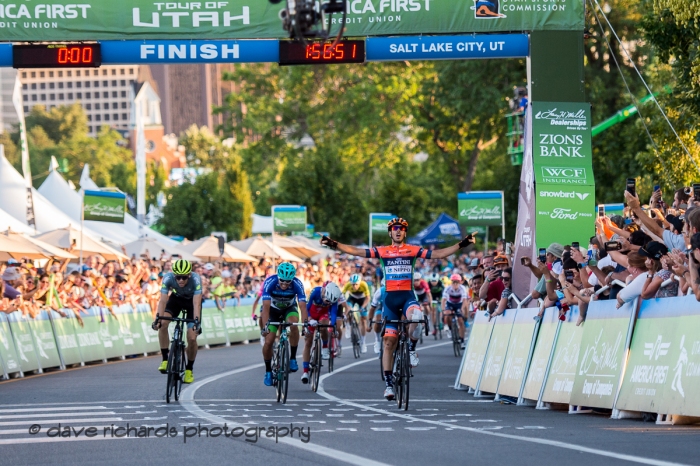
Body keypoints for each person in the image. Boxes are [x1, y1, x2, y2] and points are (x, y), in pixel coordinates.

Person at [320, 217, 476, 400]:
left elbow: (439, 254)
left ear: (405, 232)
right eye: (394, 228)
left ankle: (411, 348)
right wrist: (333, 244)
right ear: (390, 232)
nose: (398, 231)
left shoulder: (412, 250)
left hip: (408, 297)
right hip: (390, 300)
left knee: (417, 316)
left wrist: (463, 243)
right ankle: (388, 385)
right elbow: (356, 251)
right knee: (388, 343)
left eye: (401, 228)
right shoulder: (383, 251)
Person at [152, 259, 202, 384]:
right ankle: (165, 359)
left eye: (184, 278)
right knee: (163, 324)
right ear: (174, 275)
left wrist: (197, 323)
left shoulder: (196, 280)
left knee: (191, 338)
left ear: (189, 275)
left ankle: (189, 370)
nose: (181, 280)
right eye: (178, 277)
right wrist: (158, 318)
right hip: (176, 300)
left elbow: (197, 304)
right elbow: (163, 301)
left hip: (191, 303)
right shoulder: (168, 278)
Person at [260, 262, 308, 387]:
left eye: (288, 282)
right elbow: (265, 308)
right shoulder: (270, 282)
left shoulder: (297, 284)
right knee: (269, 341)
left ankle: (292, 358)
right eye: (282, 281)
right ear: (278, 277)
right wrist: (265, 326)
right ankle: (268, 371)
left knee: (293, 325)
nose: (285, 284)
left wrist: (305, 325)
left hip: (289, 308)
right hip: (272, 311)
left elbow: (303, 307)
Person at [301, 282, 343, 383]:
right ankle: (305, 372)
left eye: (330, 303)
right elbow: (306, 308)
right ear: (324, 292)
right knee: (308, 342)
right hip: (312, 313)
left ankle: (324, 347)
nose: (328, 303)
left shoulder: (334, 298)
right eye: (327, 301)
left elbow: (333, 313)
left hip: (323, 315)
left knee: (324, 326)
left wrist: (333, 326)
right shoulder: (315, 292)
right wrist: (309, 319)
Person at [341, 273, 371, 353]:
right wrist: (346, 308)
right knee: (348, 309)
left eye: (356, 284)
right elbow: (342, 295)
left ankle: (363, 342)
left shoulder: (364, 284)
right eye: (353, 284)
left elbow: (368, 298)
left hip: (362, 299)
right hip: (352, 298)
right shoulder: (348, 285)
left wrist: (363, 307)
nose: (354, 286)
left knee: (363, 320)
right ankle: (347, 325)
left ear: (359, 282)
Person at [441, 274, 468, 348]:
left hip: (459, 304)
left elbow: (465, 300)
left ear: (460, 283)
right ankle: (450, 329)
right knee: (447, 314)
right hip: (450, 304)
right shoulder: (447, 288)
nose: (455, 284)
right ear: (451, 282)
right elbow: (443, 300)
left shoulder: (462, 288)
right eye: (453, 282)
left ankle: (462, 341)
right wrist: (443, 310)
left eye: (457, 282)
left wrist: (462, 309)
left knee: (460, 321)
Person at [367, 280, 386, 354]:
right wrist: (370, 324)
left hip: (394, 307)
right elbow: (372, 308)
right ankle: (377, 340)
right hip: (381, 307)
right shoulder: (380, 292)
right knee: (378, 320)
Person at [427, 273, 445, 337]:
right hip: (432, 297)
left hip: (439, 296)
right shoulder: (428, 284)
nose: (433, 283)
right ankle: (435, 327)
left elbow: (444, 292)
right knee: (433, 312)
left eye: (435, 281)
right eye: (432, 281)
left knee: (441, 309)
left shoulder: (440, 283)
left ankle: (441, 321)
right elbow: (427, 293)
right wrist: (429, 301)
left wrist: (441, 300)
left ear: (438, 280)